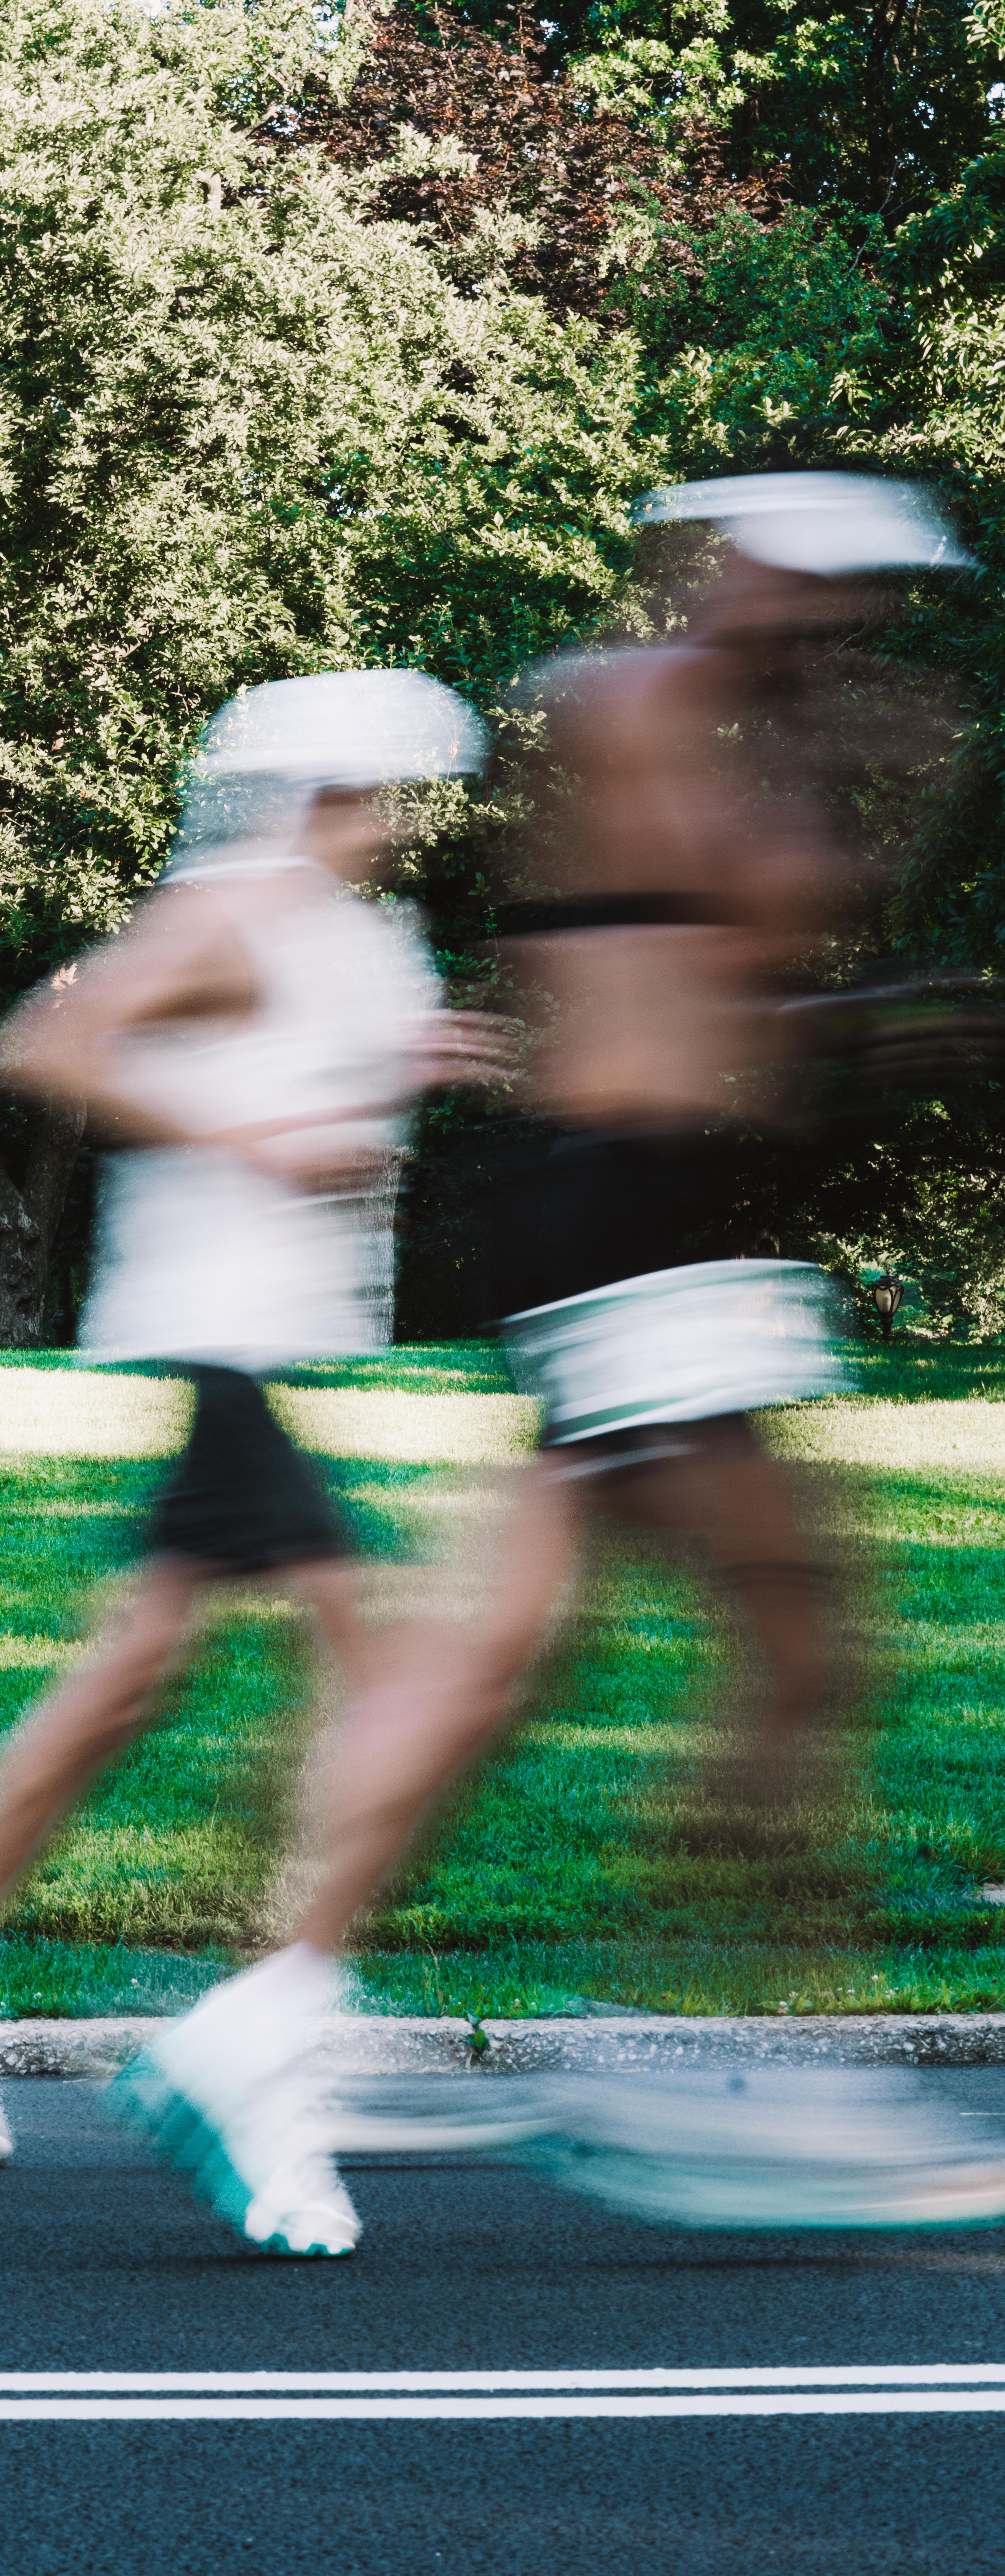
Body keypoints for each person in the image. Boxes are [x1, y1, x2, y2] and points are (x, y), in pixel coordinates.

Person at [268, 475, 977, 2167]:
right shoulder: (634, 704)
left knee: (530, 1656)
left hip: (669, 1226)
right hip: (619, 1218)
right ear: (737, 575)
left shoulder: (716, 713)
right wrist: (904, 791)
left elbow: (781, 987)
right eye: (828, 596)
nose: (849, 631)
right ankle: (718, 2060)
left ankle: (282, 2012)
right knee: (798, 1645)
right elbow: (776, 916)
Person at [0, 670, 500, 2256]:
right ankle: (271, 2028)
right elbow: (47, 1039)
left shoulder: (341, 927)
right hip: (224, 1339)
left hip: (269, 1352)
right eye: (375, 794)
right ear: (315, 790)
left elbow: (315, 1084)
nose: (394, 822)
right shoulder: (240, 904)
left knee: (139, 1675)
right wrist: (264, 1144)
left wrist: (407, 1070)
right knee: (381, 1674)